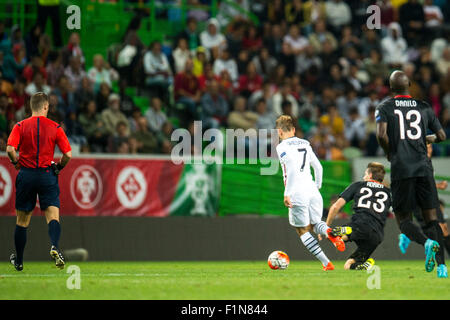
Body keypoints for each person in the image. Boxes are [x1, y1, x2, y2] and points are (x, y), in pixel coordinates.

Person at [376, 70, 448, 278]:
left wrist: (391, 152)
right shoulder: (424, 107)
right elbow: (442, 135)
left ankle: (427, 244)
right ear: (409, 85)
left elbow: (381, 135)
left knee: (403, 219)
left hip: (402, 168)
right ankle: (442, 268)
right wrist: (426, 140)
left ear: (391, 88)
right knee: (432, 219)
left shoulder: (385, 107)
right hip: (424, 168)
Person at [6, 92, 72, 271]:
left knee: (22, 221)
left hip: (26, 174)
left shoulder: (20, 125)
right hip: (47, 175)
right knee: (52, 215)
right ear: (45, 107)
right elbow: (68, 154)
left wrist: (16, 163)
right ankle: (54, 247)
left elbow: (10, 149)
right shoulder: (55, 127)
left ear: (30, 107)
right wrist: (58, 168)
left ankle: (19, 261)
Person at [275, 115, 345, 271]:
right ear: (293, 130)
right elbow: (318, 167)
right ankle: (330, 233)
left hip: (296, 191)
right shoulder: (305, 143)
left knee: (302, 230)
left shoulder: (281, 147)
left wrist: (287, 193)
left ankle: (327, 263)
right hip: (312, 189)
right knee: (315, 224)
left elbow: (290, 170)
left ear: (279, 132)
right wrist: (316, 187)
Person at [326, 162, 392, 270]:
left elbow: (335, 207)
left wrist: (326, 225)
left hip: (359, 224)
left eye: (365, 174)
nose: (363, 176)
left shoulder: (358, 185)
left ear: (370, 175)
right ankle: (365, 264)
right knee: (348, 265)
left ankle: (345, 231)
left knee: (331, 235)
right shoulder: (388, 193)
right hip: (376, 235)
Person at [399, 144, 450, 258]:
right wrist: (438, 185)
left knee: (444, 229)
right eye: (426, 147)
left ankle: (433, 253)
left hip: (431, 198)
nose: (429, 149)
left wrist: (436, 186)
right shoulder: (418, 162)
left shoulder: (428, 161)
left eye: (430, 147)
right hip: (420, 200)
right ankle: (434, 255)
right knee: (434, 228)